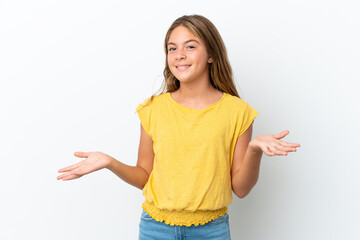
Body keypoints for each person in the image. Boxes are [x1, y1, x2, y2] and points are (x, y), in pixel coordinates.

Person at [57, 14, 301, 240]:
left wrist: (254, 150)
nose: (179, 54)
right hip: (155, 228)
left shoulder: (238, 112)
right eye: (172, 48)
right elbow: (144, 176)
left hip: (211, 231)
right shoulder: (152, 109)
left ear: (211, 55)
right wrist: (110, 162)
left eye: (190, 46)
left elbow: (241, 189)